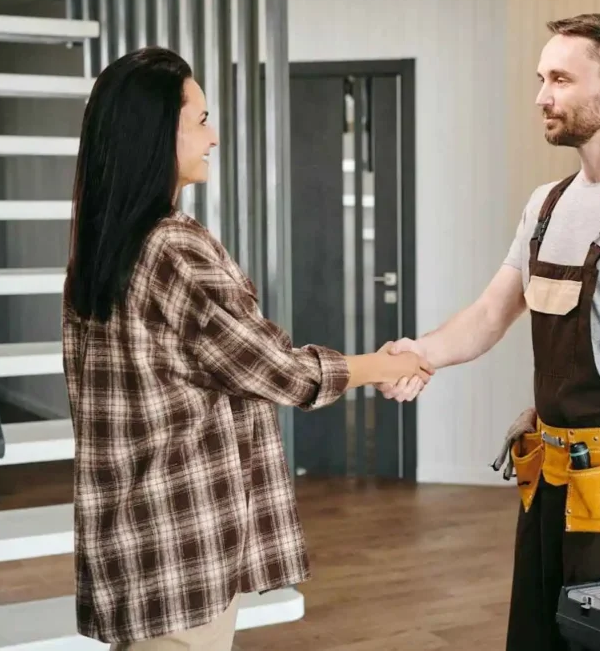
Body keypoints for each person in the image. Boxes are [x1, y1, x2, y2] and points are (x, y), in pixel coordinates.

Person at [62, 47, 432, 650]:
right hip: (183, 541)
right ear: (161, 130)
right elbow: (275, 370)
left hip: (129, 539)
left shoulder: (98, 247)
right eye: (202, 119)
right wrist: (381, 366)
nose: (215, 136)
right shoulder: (172, 248)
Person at [379, 13, 600, 650]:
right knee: (538, 640)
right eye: (542, 78)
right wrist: (419, 353)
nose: (542, 96)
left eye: (561, 79)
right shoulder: (548, 202)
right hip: (551, 476)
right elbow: (489, 315)